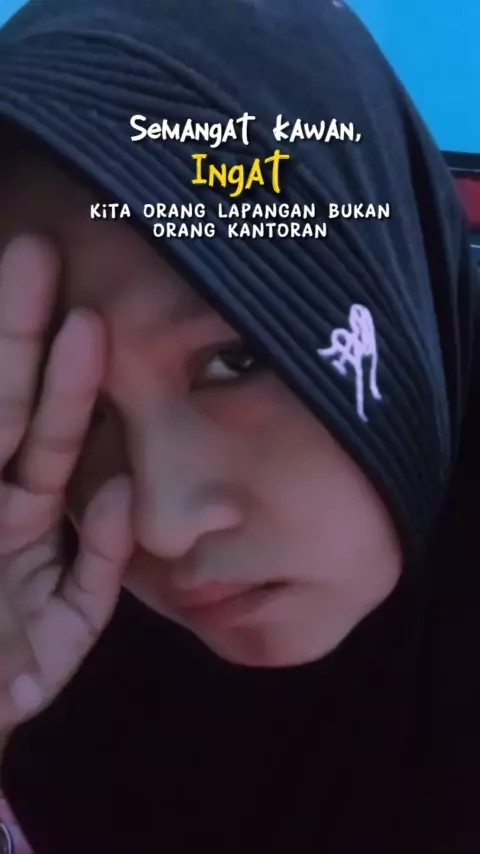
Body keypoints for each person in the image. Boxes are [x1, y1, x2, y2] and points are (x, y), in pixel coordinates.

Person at [0, 0, 478, 851]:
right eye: (77, 409)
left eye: (240, 357)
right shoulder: (43, 634)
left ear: (401, 285)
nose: (163, 523)